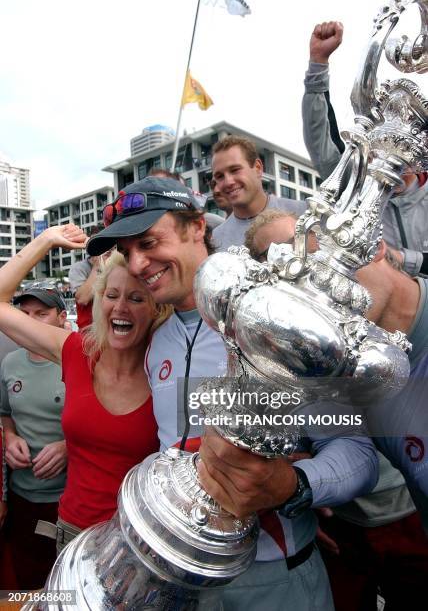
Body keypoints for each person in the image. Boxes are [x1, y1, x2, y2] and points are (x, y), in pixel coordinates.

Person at [88, 175, 378, 611]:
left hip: (273, 581)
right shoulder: (157, 340)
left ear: (197, 227)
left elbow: (357, 453)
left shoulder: (276, 321)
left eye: (149, 242)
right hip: (182, 581)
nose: (138, 264)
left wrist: (294, 488)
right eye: (127, 252)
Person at [244, 208, 428, 610]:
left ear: (372, 244)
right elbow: (342, 441)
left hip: (402, 517)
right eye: (287, 274)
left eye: (315, 255)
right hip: (345, 528)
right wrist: (301, 482)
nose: (318, 285)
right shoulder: (312, 349)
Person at [0, 226, 170, 554]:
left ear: (156, 309)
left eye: (136, 298)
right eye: (111, 295)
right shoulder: (78, 350)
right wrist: (46, 239)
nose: (120, 308)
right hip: (72, 532)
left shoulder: (170, 361)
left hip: (141, 541)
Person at [302, 20, 428, 277]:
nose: (385, 149)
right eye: (379, 136)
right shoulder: (352, 185)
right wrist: (318, 63)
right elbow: (319, 139)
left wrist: (400, 258)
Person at [0, 288, 68, 588]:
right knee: (25, 584)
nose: (31, 321)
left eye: (42, 314)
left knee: (64, 584)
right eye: (25, 314)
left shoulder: (78, 360)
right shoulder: (9, 363)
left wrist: (68, 447)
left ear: (61, 318)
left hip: (65, 501)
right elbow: (5, 413)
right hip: (21, 498)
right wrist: (11, 436)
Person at [211, 135, 307, 251]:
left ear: (258, 168)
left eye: (235, 170)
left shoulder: (304, 213)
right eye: (220, 176)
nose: (228, 182)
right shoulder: (217, 238)